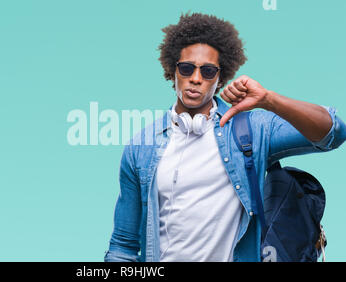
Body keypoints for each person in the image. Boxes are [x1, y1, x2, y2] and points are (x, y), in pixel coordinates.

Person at [104, 12, 346, 262]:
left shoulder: (251, 131)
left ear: (220, 78)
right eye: (186, 68)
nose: (195, 78)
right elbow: (123, 246)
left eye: (208, 71)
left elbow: (333, 132)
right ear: (172, 70)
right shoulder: (141, 148)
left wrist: (268, 99)